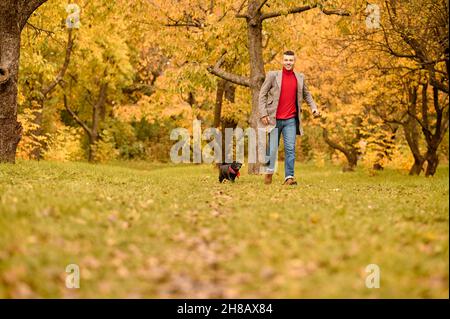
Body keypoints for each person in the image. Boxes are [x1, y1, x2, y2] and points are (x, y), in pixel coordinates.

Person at [258, 50, 320, 185]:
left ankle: (289, 177)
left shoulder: (300, 77)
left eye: (291, 60)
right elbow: (262, 94)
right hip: (274, 119)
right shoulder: (273, 76)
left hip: (291, 120)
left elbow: (307, 95)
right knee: (273, 148)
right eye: (286, 60)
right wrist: (263, 113)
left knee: (290, 148)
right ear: (282, 60)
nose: (288, 63)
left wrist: (314, 107)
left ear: (294, 61)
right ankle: (269, 172)